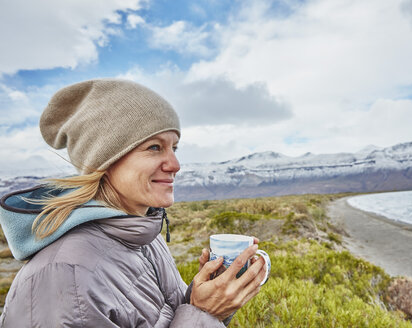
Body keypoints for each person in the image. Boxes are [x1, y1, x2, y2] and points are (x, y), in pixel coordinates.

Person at [0, 79, 266, 327]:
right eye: (154, 147)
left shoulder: (142, 233)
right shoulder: (65, 275)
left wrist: (204, 298)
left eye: (174, 148)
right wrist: (204, 314)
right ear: (104, 161)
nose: (175, 165)